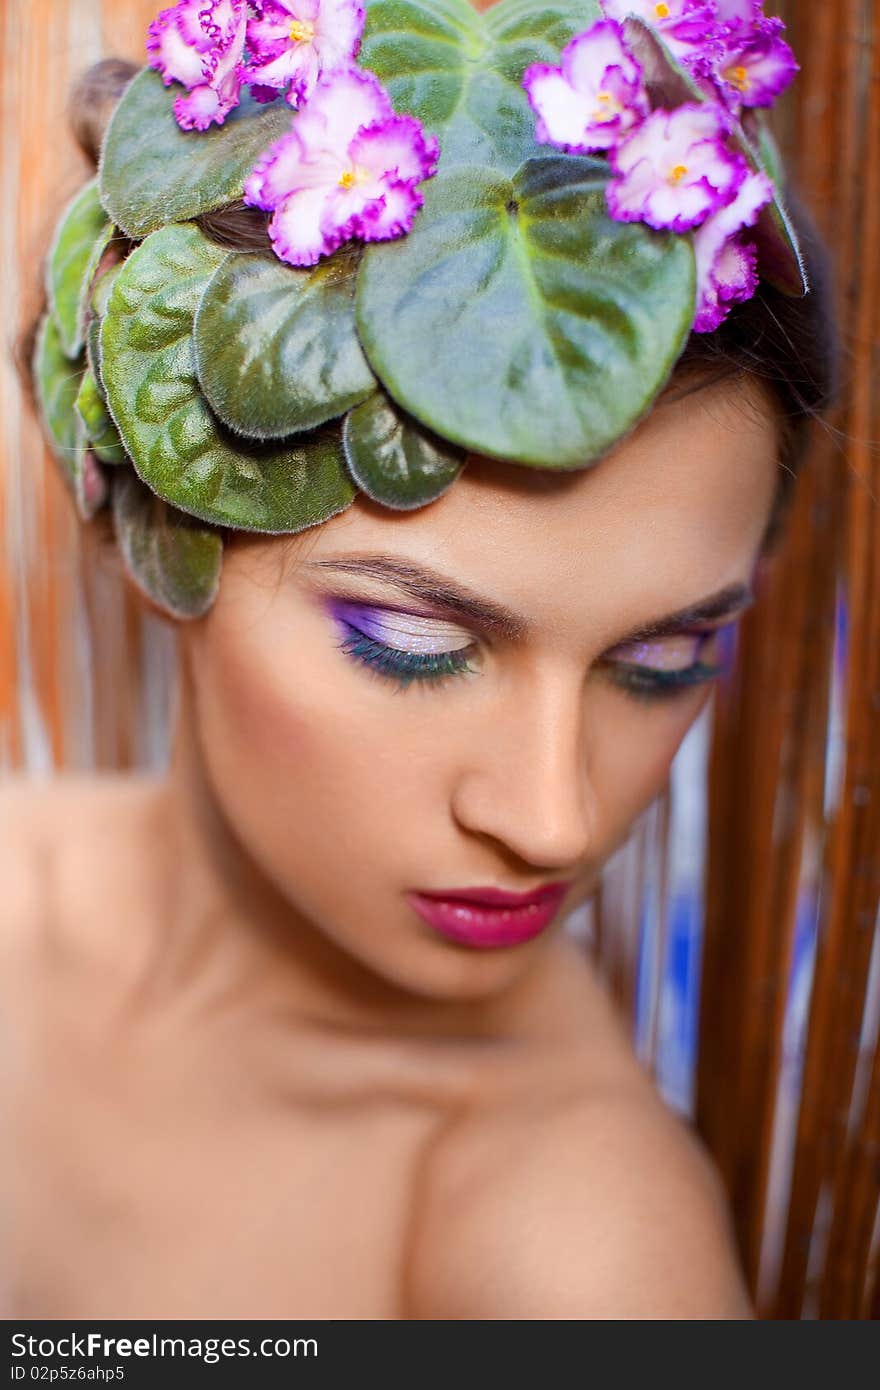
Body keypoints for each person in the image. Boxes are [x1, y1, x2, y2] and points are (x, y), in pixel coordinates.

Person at [2, 0, 837, 1318]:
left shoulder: (585, 1251)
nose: (553, 816)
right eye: (415, 644)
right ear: (161, 529)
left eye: (665, 658)